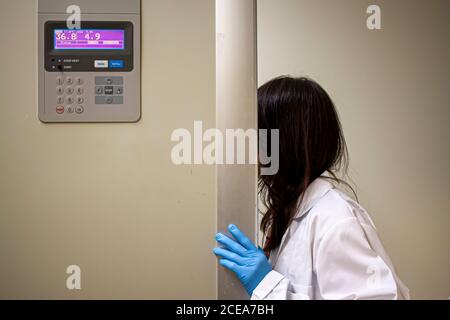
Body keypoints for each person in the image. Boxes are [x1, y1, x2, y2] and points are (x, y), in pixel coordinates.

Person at [213, 76, 410, 300]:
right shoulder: (288, 216)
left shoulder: (335, 220)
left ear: (284, 142)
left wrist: (268, 286)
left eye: (256, 134)